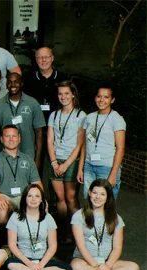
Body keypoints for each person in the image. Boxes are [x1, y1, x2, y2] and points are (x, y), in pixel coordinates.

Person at [70, 179, 139, 270]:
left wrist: (107, 265)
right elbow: (81, 246)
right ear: (89, 193)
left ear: (107, 197)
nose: (97, 197)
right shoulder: (79, 216)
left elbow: (117, 248)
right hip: (84, 261)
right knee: (76, 267)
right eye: (95, 193)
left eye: (102, 194)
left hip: (107, 261)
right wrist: (95, 266)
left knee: (134, 267)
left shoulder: (116, 218)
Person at [5, 184, 73, 270]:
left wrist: (40, 265)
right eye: (30, 196)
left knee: (67, 269)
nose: (33, 199)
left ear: (42, 200)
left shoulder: (48, 218)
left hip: (43, 260)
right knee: (9, 264)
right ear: (24, 198)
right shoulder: (15, 217)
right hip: (22, 260)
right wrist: (29, 264)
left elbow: (53, 246)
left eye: (37, 196)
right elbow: (12, 245)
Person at [47, 81, 86, 243]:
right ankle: (64, 232)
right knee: (60, 198)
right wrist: (55, 162)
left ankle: (77, 233)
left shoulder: (80, 115)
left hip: (71, 160)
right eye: (60, 94)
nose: (63, 97)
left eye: (66, 94)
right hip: (56, 160)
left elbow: (80, 144)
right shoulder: (54, 115)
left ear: (73, 95)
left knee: (71, 198)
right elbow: (50, 141)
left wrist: (66, 164)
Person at [0, 125, 42, 238]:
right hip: (5, 196)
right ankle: (3, 245)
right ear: (1, 139)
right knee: (2, 212)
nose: (11, 139)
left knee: (41, 208)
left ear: (19, 138)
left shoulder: (28, 160)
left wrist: (42, 198)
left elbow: (37, 182)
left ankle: (31, 244)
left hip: (25, 196)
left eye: (14, 136)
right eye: (7, 136)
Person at [77, 86, 125, 199]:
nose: (101, 100)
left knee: (106, 204)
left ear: (112, 100)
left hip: (107, 167)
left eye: (106, 97)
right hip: (89, 166)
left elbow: (120, 149)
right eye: (99, 96)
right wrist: (80, 168)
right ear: (95, 98)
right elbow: (84, 145)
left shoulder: (117, 119)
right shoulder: (89, 118)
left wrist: (113, 174)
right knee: (89, 202)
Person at [0, 72, 46, 167]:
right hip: (5, 156)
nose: (13, 85)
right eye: (9, 82)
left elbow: (39, 132)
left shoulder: (32, 103)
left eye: (16, 82)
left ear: (22, 83)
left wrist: (38, 158)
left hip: (28, 154)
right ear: (6, 84)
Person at [23, 47, 69, 122]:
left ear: (52, 58)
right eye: (40, 57)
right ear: (36, 60)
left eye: (47, 57)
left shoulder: (62, 78)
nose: (43, 60)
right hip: (35, 121)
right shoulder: (29, 79)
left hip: (58, 120)